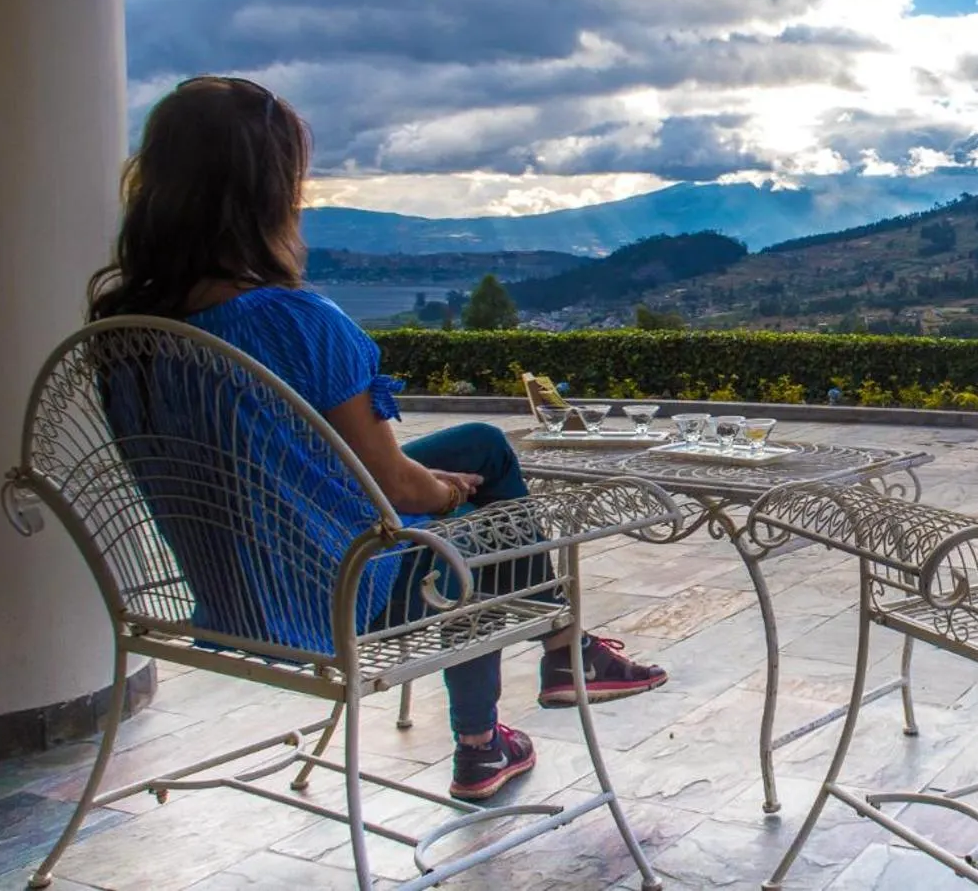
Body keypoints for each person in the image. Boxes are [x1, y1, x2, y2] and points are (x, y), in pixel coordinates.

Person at [87, 75, 666, 802]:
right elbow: (395, 486)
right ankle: (500, 721)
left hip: (228, 584)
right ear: (267, 192)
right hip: (332, 594)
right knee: (475, 524)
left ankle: (546, 672)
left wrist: (425, 485)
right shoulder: (293, 320)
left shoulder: (125, 331)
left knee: (481, 445)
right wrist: (439, 494)